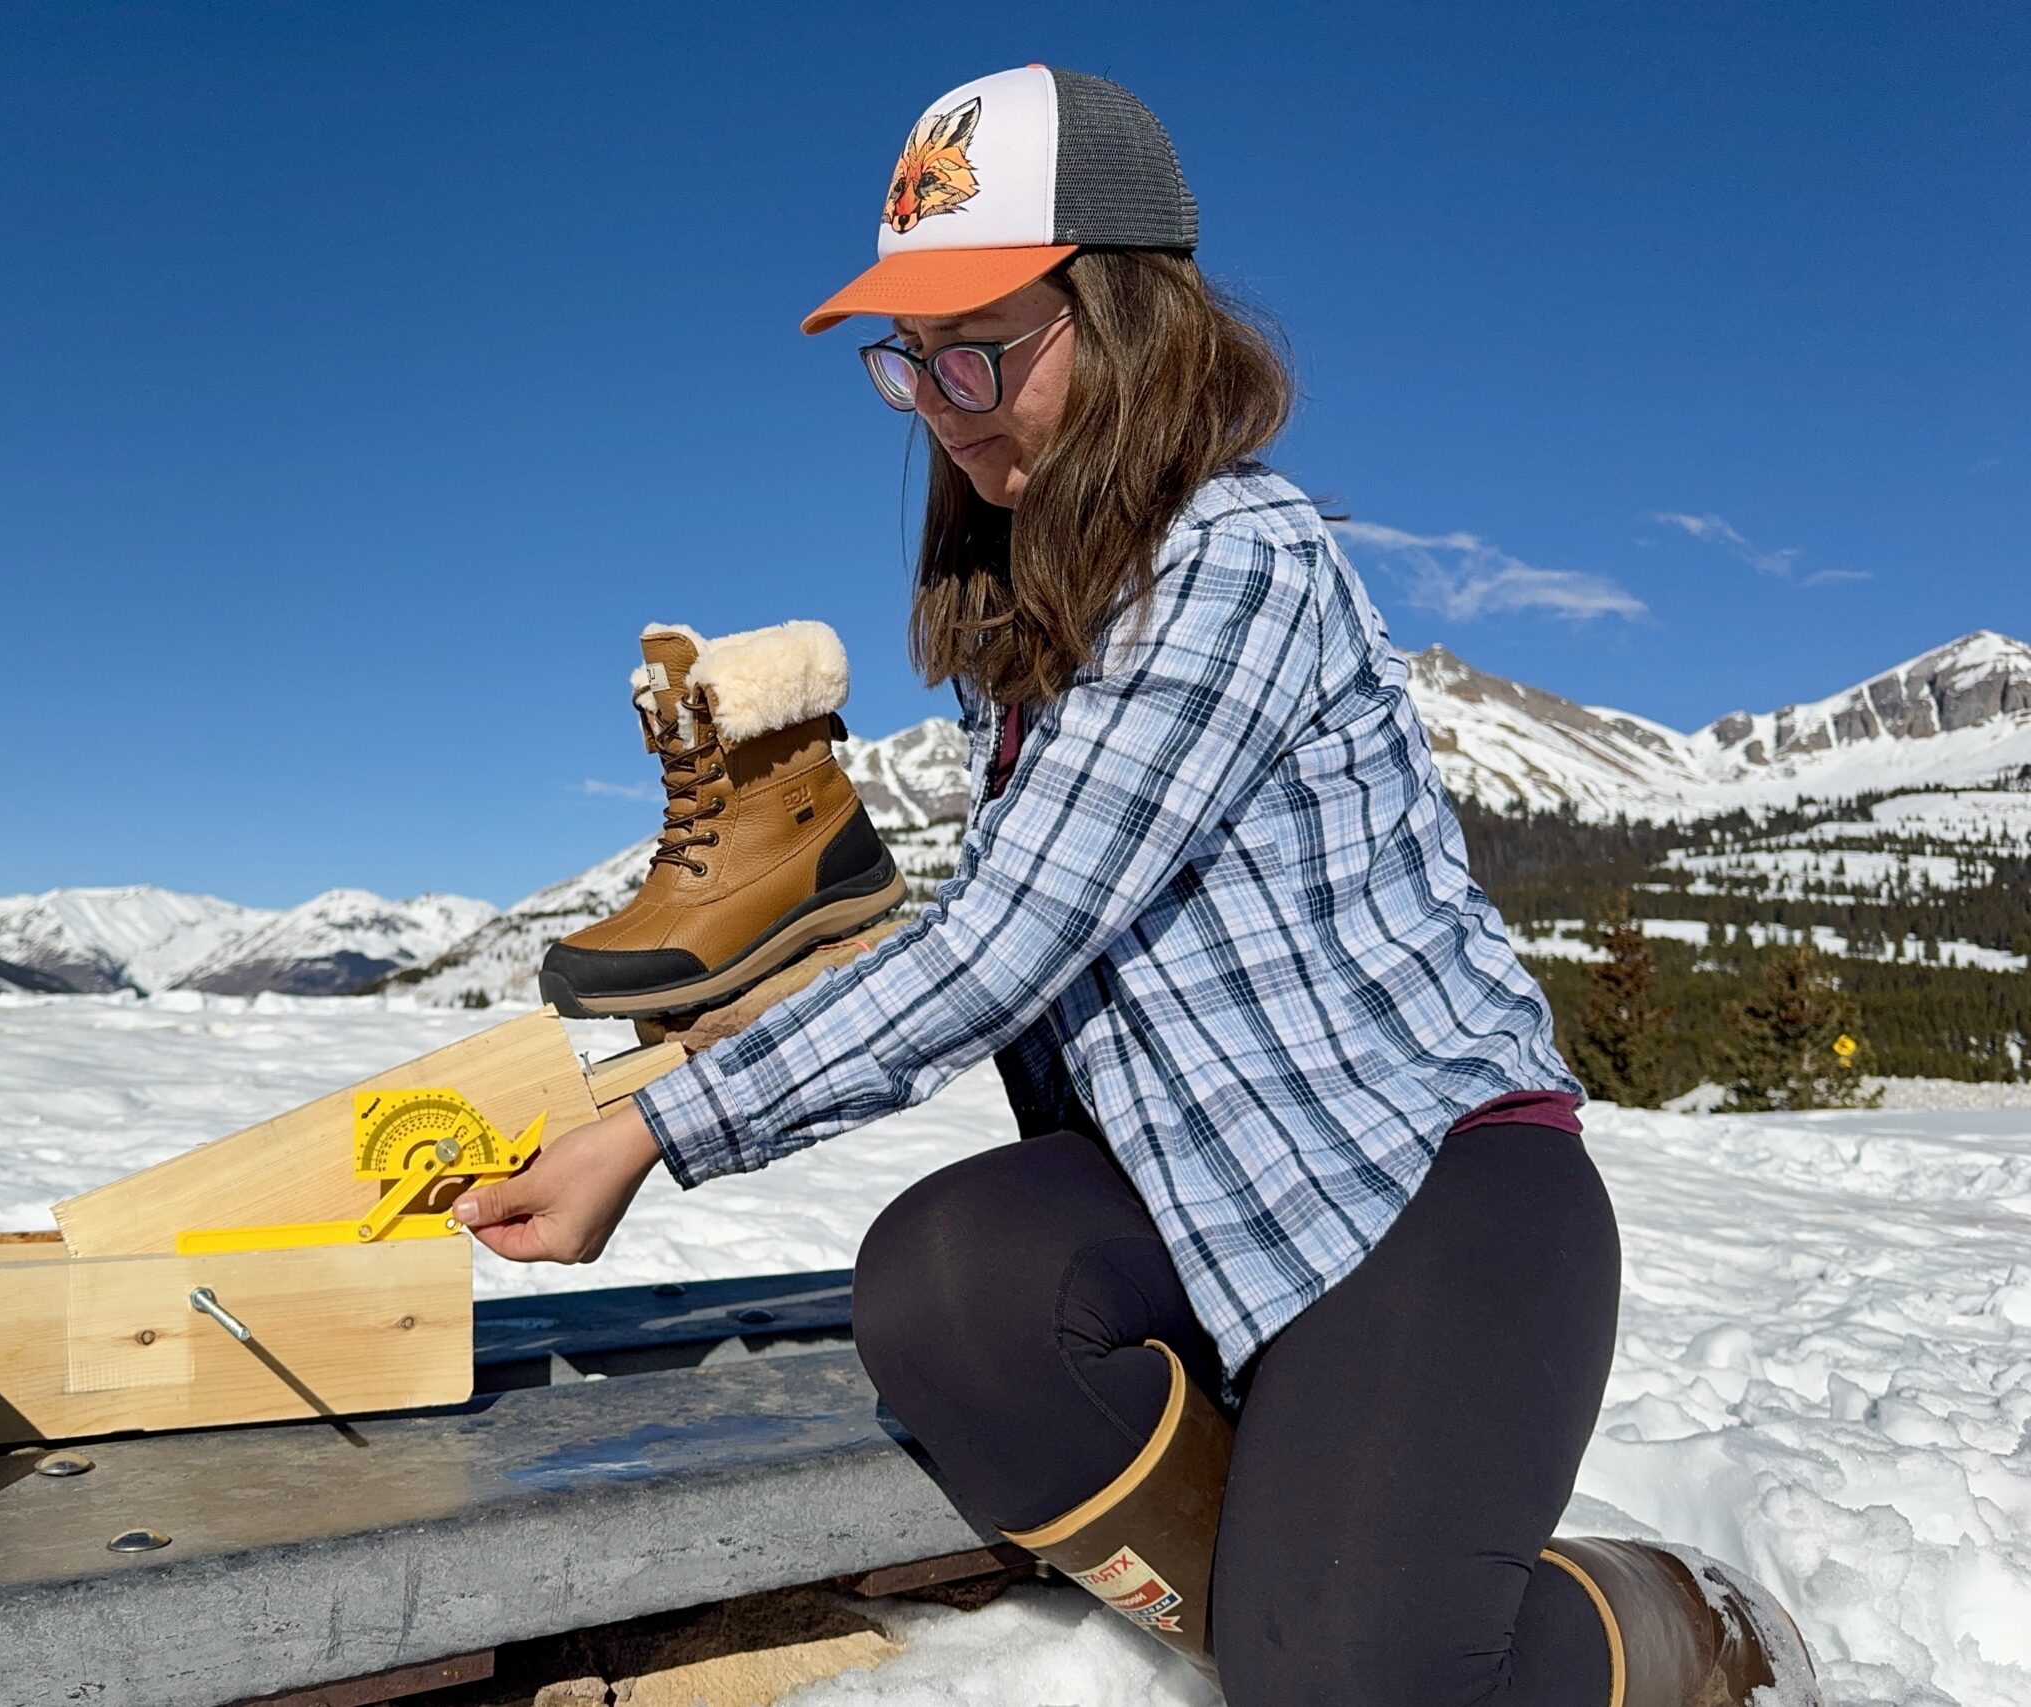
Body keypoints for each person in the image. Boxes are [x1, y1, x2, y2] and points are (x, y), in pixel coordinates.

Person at [454, 65, 1814, 1707]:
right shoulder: (1036, 644)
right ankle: (1323, 1589)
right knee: (951, 1287)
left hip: (1420, 1200)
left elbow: (1014, 935)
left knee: (1348, 1688)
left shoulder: (1240, 558)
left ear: (1129, 315)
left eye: (984, 346)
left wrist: (652, 1137)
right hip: (1197, 1202)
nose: (945, 400)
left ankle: (1668, 1629)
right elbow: (1007, 935)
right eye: (911, 359)